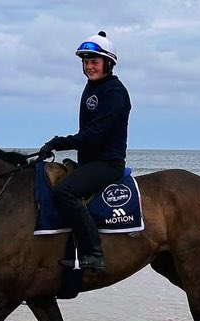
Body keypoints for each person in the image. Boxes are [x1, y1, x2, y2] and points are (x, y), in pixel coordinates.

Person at [38, 31, 131, 271]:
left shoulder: (114, 92)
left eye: (94, 62)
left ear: (108, 64)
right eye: (86, 62)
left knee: (64, 191)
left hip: (108, 164)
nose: (89, 67)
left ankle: (94, 253)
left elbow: (95, 134)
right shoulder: (93, 87)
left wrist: (57, 142)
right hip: (90, 162)